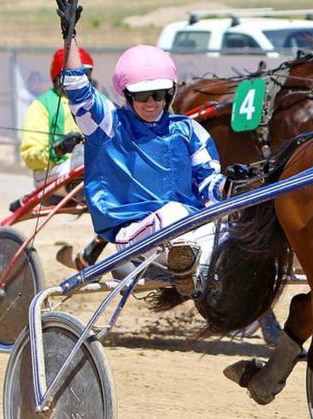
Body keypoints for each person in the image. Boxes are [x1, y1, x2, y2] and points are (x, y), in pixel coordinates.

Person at [56, 3, 227, 298]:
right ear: (127, 95)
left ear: (169, 93)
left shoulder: (189, 131)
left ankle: (195, 271)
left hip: (186, 227)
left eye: (159, 94)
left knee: (231, 228)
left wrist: (232, 188)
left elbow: (209, 183)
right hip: (133, 231)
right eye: (142, 96)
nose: (152, 103)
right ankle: (189, 269)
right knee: (171, 215)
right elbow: (79, 92)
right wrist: (70, 37)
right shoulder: (108, 126)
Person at [19, 47, 93, 190]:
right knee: (83, 162)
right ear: (59, 78)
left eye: (84, 75)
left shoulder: (96, 101)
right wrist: (60, 148)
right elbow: (30, 156)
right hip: (50, 173)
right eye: (74, 75)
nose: (79, 80)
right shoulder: (42, 105)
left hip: (86, 168)